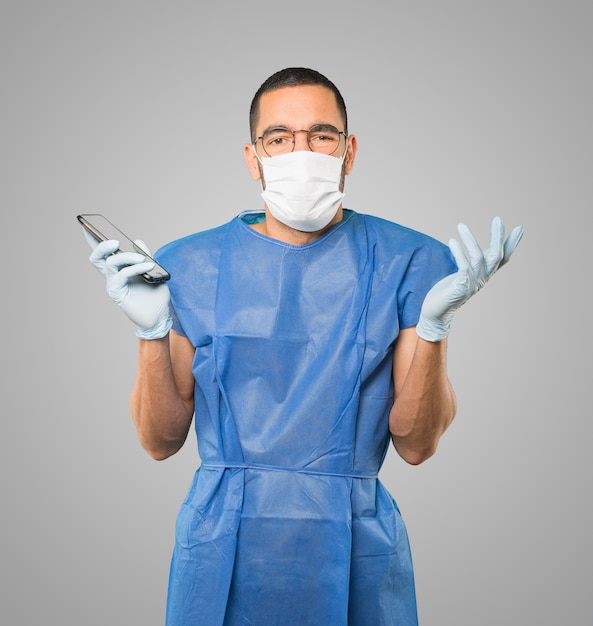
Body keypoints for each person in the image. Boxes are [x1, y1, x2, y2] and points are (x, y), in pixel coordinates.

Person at [83, 67, 524, 625]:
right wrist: (149, 335)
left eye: (321, 135)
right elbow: (158, 440)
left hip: (353, 538)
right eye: (279, 139)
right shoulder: (188, 264)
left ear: (349, 150)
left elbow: (416, 445)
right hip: (224, 540)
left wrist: (434, 331)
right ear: (253, 157)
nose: (301, 151)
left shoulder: (410, 260)